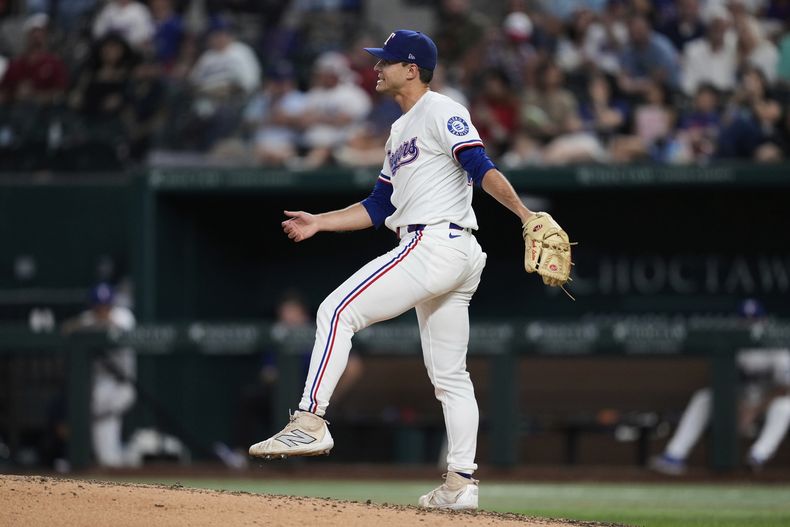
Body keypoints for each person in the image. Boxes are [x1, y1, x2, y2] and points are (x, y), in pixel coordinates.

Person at [248, 29, 571, 510]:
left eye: (386, 61)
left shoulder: (442, 109)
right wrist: (320, 222)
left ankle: (310, 421)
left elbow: (481, 166)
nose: (376, 68)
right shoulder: (399, 130)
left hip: (435, 242)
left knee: (336, 310)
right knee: (450, 377)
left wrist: (525, 216)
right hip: (449, 252)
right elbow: (379, 205)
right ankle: (461, 484)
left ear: (412, 69)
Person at [650, 299, 790, 475]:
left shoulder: (776, 345)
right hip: (738, 401)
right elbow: (721, 382)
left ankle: (757, 455)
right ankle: (674, 456)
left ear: (764, 321)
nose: (749, 325)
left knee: (786, 407)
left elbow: (785, 388)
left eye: (754, 320)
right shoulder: (729, 342)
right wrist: (738, 407)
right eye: (745, 320)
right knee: (704, 398)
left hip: (765, 403)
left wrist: (753, 410)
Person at [61, 283, 137, 468]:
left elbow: (119, 326)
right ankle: (117, 459)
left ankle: (121, 458)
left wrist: (97, 322)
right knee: (107, 456)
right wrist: (90, 322)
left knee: (101, 413)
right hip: (100, 384)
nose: (103, 310)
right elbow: (65, 329)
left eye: (106, 306)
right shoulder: (88, 319)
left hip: (122, 383)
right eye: (99, 306)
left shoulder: (124, 316)